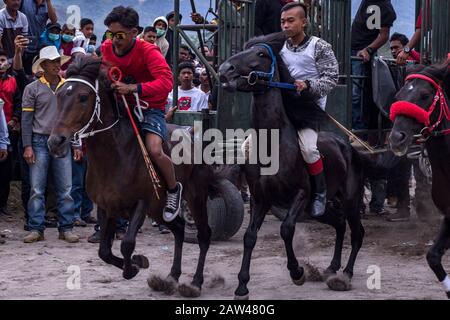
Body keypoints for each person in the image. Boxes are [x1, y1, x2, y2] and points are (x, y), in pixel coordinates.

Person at [101, 6, 183, 222]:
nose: (114, 40)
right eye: (111, 34)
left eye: (119, 35)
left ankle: (173, 190)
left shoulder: (149, 51)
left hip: (150, 108)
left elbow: (166, 82)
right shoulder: (106, 48)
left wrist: (134, 88)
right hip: (120, 106)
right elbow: (102, 71)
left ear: (133, 32)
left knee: (155, 150)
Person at [279, 2, 338, 217]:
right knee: (250, 147)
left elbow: (331, 80)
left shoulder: (320, 46)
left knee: (309, 149)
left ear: (304, 22)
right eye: (283, 21)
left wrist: (308, 85)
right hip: (282, 109)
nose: (285, 25)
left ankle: (320, 193)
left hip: (308, 110)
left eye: (291, 20)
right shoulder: (279, 45)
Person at [21, 45, 79, 243]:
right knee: (37, 188)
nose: (56, 65)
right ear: (43, 65)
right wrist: (27, 145)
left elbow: (75, 117)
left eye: (57, 61)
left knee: (65, 187)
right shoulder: (32, 88)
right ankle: (37, 228)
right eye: (53, 62)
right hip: (39, 140)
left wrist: (76, 144)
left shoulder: (68, 86)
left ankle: (66, 227)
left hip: (62, 141)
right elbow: (26, 120)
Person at [0, 47, 22, 217]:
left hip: (9, 128)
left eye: (2, 60)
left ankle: (3, 203)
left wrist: (15, 119)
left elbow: (18, 101)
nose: (1, 64)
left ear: (7, 64)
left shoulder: (13, 81)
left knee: (6, 168)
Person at [20, 0, 58, 75]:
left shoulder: (47, 5)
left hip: (35, 46)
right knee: (17, 72)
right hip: (21, 45)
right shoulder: (24, 2)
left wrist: (48, 2)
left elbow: (54, 20)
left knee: (30, 73)